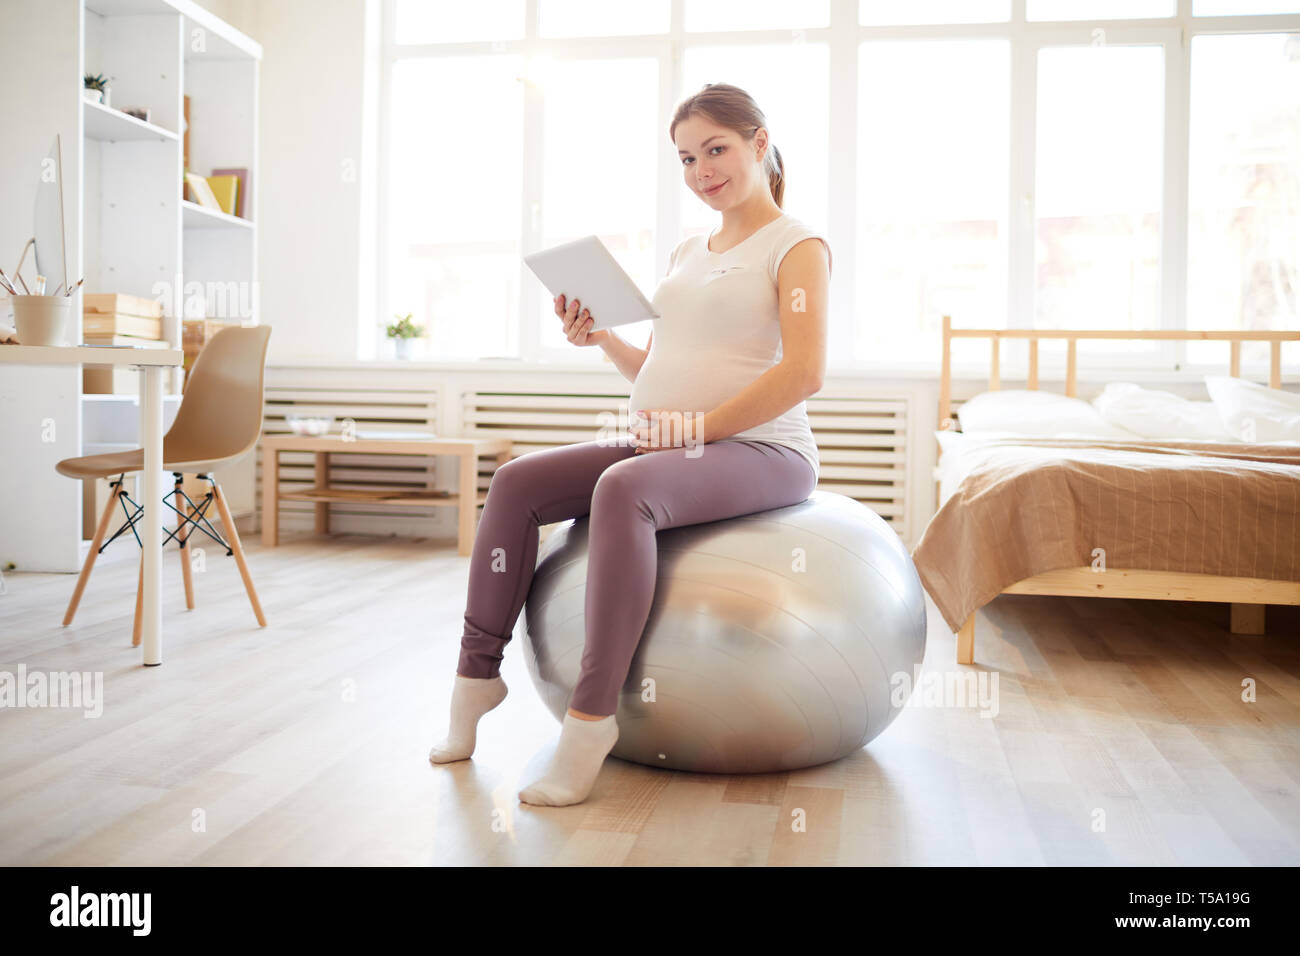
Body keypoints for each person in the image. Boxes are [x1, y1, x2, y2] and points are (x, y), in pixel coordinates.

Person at [428, 82, 833, 807]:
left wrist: (697, 430)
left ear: (760, 143)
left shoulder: (796, 245)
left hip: (765, 451)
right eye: (686, 157)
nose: (702, 170)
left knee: (624, 488)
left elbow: (804, 371)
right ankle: (476, 680)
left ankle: (589, 723)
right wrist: (602, 338)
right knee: (519, 480)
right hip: (669, 443)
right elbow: (662, 369)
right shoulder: (688, 250)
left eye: (717, 149)